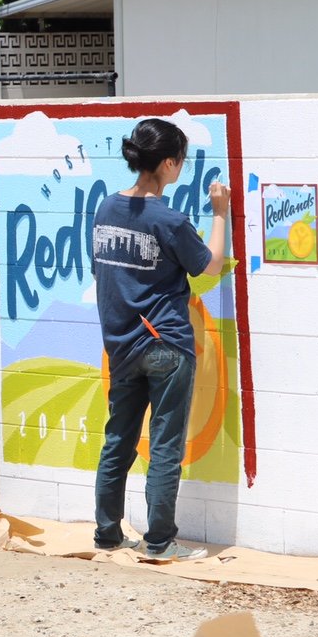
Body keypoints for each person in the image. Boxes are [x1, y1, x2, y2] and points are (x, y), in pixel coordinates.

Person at [91, 118, 230, 562]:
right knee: (165, 445)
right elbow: (210, 265)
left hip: (121, 346)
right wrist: (221, 212)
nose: (181, 168)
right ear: (168, 163)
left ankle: (108, 534)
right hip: (166, 345)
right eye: (180, 161)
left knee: (119, 440)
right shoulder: (169, 220)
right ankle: (160, 542)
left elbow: (103, 275)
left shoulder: (105, 210)